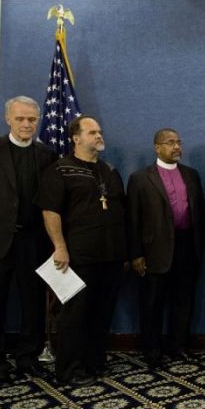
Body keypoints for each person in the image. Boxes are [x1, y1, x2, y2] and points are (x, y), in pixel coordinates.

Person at [0, 95, 57, 386]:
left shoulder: (47, 155)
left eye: (32, 119)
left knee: (32, 303)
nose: (27, 124)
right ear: (8, 119)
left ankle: (28, 357)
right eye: (20, 119)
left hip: (34, 242)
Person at [36, 115, 126, 385]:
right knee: (75, 315)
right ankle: (70, 370)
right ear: (76, 138)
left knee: (102, 313)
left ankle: (94, 362)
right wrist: (59, 247)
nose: (99, 136)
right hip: (77, 256)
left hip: (110, 256)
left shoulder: (108, 170)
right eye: (92, 132)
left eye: (99, 131)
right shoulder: (60, 170)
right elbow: (50, 211)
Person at [127, 128, 204, 368]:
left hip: (186, 245)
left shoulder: (191, 175)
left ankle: (177, 346)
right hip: (154, 250)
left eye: (179, 142)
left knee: (183, 300)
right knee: (153, 302)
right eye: (170, 142)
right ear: (157, 147)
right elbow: (132, 220)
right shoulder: (140, 178)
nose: (176, 147)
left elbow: (198, 212)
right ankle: (152, 350)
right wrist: (136, 253)